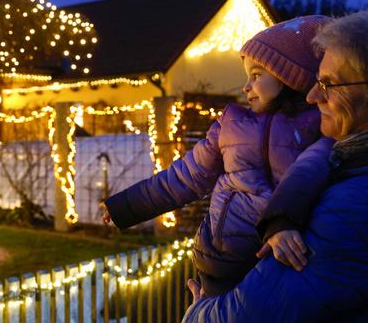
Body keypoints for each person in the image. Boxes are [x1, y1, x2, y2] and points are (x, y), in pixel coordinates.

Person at [180, 10, 368, 323]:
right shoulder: (340, 162)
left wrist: (196, 315)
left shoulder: (351, 208)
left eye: (328, 83)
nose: (313, 96)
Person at [102, 16, 332, 296]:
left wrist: (284, 223)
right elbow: (185, 177)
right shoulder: (231, 123)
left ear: (290, 77)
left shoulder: (322, 128)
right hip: (218, 259)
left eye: (257, 75)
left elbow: (314, 178)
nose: (246, 86)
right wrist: (125, 207)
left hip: (281, 259)